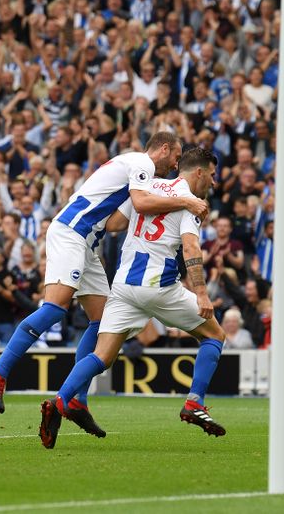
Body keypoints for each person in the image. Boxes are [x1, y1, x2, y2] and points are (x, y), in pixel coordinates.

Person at [0, 132, 208, 436]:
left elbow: (115, 223)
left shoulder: (134, 174)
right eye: (175, 156)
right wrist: (186, 201)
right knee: (55, 308)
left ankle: (77, 401)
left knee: (100, 322)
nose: (176, 163)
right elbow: (140, 202)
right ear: (163, 149)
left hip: (87, 242)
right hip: (71, 232)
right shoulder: (142, 162)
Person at [39, 147, 226, 449]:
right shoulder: (191, 203)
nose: (214, 183)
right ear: (200, 172)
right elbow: (191, 249)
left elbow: (114, 225)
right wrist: (202, 294)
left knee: (101, 356)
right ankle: (194, 402)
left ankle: (59, 402)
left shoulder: (148, 186)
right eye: (213, 176)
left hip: (124, 286)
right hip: (160, 286)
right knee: (215, 335)